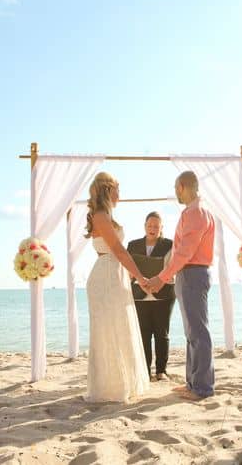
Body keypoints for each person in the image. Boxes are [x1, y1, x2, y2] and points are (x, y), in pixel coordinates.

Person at [145, 171, 215, 400]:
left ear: (183, 186)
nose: (175, 192)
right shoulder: (192, 212)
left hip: (193, 273)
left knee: (198, 332)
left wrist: (161, 277)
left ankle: (202, 388)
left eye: (176, 188)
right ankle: (193, 383)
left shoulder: (196, 214)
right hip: (188, 275)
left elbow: (185, 252)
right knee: (191, 332)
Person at [84, 172, 150, 402]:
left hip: (115, 274)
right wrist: (140, 276)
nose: (120, 194)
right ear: (106, 190)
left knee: (120, 326)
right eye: (117, 189)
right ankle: (109, 388)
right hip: (106, 277)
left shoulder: (107, 215)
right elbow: (119, 251)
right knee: (108, 329)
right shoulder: (101, 215)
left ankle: (123, 382)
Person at [127, 212, 176, 382]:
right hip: (139, 294)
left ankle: (161, 370)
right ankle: (145, 371)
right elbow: (128, 268)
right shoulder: (133, 245)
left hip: (164, 294)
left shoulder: (170, 245)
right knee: (143, 333)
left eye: (156, 226)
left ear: (162, 228)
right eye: (150, 225)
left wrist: (158, 280)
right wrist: (139, 280)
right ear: (144, 226)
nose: (153, 229)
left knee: (162, 333)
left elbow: (172, 267)